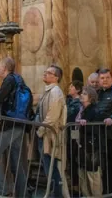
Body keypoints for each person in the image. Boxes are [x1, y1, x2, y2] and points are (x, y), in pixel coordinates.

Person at [0, 57, 29, 197]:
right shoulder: (19, 79)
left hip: (10, 124)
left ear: (4, 68)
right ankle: (23, 194)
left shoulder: (9, 80)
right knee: (16, 163)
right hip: (20, 124)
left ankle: (3, 191)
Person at [35, 65, 66, 197]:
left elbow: (52, 116)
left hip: (49, 135)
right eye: (45, 72)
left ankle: (56, 195)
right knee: (49, 166)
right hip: (45, 134)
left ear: (56, 77)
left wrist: (40, 131)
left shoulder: (55, 92)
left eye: (49, 73)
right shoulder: (49, 91)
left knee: (52, 167)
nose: (45, 74)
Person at [75, 85, 104, 197]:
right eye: (82, 93)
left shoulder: (94, 110)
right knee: (82, 174)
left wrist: (84, 124)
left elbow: (96, 128)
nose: (81, 95)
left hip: (91, 146)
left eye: (85, 94)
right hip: (81, 145)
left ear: (91, 97)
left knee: (92, 175)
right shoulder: (82, 110)